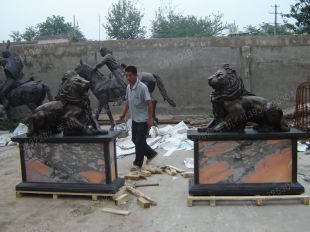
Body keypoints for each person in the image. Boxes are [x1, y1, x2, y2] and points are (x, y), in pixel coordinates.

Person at [118, 65, 157, 171]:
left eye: (130, 75)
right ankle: (151, 153)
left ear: (135, 75)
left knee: (139, 142)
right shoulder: (128, 87)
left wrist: (150, 119)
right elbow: (127, 102)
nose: (127, 78)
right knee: (135, 139)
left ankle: (137, 164)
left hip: (143, 120)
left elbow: (150, 103)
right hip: (135, 119)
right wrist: (123, 114)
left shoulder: (143, 87)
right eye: (126, 76)